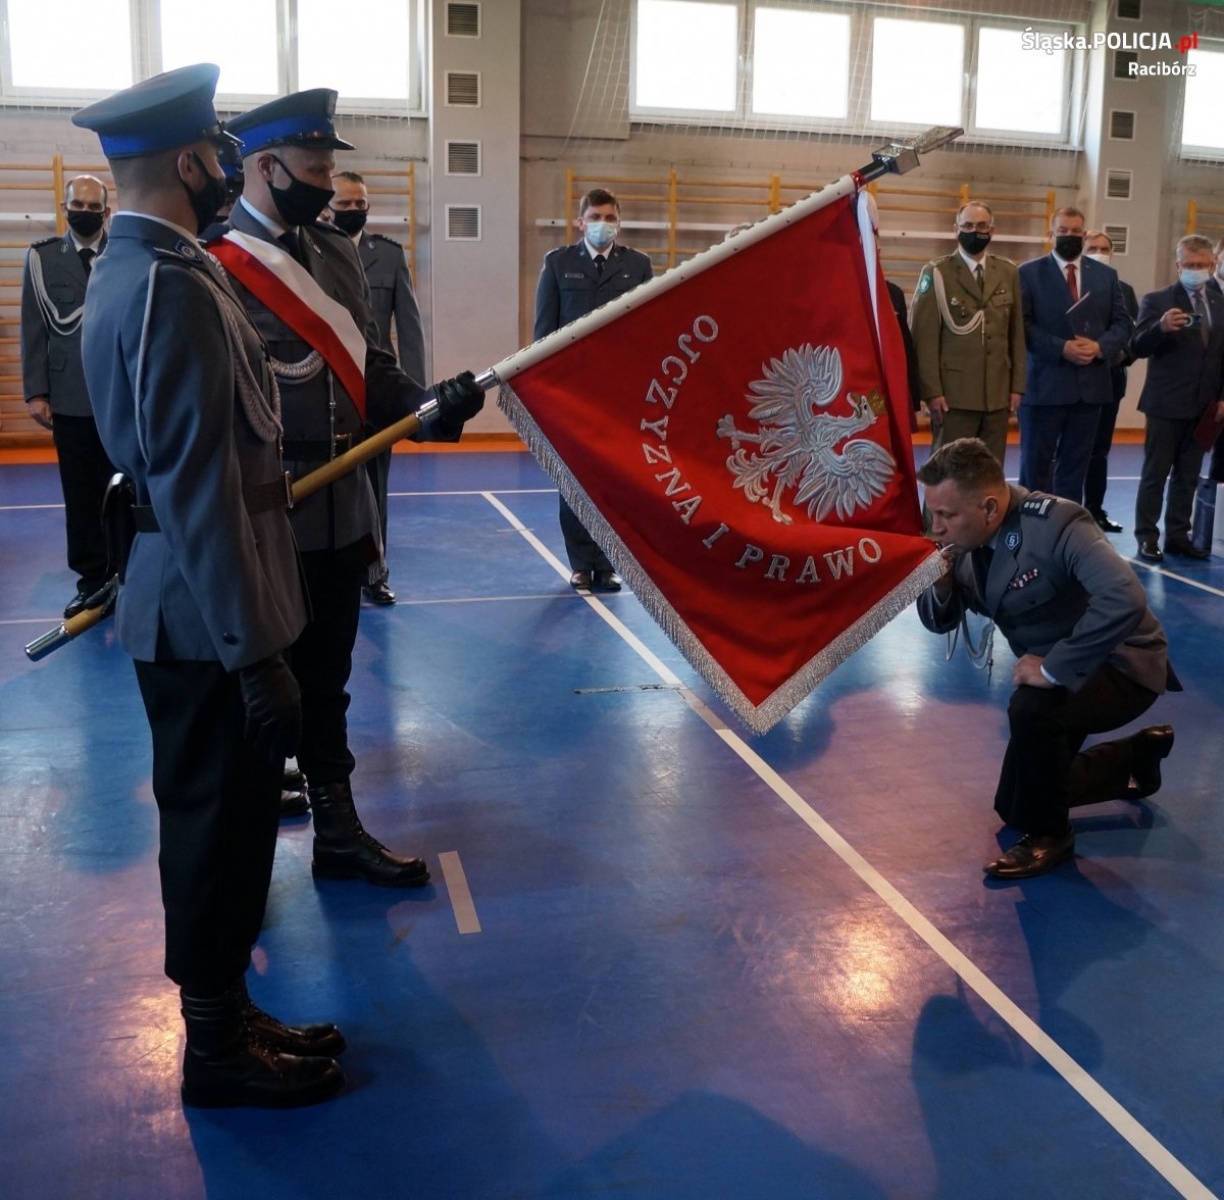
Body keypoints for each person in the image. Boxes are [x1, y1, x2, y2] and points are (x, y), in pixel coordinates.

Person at [72, 63, 345, 1108]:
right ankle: (216, 1052)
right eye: (217, 153)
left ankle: (231, 1015)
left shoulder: (151, 268)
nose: (225, 167)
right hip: (202, 622)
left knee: (234, 834)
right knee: (212, 834)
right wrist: (254, 650)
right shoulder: (166, 284)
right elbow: (194, 488)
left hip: (201, 614)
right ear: (190, 160)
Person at [215, 89, 484, 879]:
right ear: (265, 167)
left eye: (331, 169)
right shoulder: (214, 264)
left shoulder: (334, 251)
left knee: (329, 678)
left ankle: (336, 832)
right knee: (265, 692)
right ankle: (247, 857)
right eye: (315, 168)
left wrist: (425, 406)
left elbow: (368, 364)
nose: (328, 184)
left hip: (340, 501)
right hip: (267, 511)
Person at [917, 437, 1176, 880]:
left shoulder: (1057, 523)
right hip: (1066, 668)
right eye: (932, 514)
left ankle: (1050, 837)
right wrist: (939, 584)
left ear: (990, 508)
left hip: (1122, 664)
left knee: (1031, 709)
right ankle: (1133, 758)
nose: (935, 528)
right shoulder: (963, 542)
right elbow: (939, 621)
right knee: (1014, 802)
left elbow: (1124, 598)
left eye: (946, 516)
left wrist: (1053, 669)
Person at [533, 187, 653, 592]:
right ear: (580, 222)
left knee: (612, 482)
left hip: (618, 393)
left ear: (619, 222)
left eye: (610, 218)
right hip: (572, 391)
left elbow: (649, 331)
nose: (603, 225)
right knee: (574, 480)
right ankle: (582, 563)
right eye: (596, 217)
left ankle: (607, 562)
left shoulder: (638, 266)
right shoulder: (558, 263)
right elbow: (544, 332)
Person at [328, 169, 428, 608]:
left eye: (359, 203)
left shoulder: (388, 256)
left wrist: (417, 397)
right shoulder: (308, 249)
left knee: (376, 487)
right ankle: (333, 573)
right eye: (344, 203)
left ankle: (375, 571)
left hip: (375, 391)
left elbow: (408, 326)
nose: (353, 210)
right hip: (326, 391)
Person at [21, 174, 116, 618]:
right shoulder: (42, 259)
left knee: (126, 491)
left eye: (92, 206)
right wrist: (37, 391)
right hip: (70, 398)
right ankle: (92, 580)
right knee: (80, 494)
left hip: (122, 397)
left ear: (106, 210)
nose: (84, 211)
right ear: (64, 207)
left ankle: (129, 575)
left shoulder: (123, 254)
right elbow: (33, 328)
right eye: (76, 204)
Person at [1017, 206, 1132, 501]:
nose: (1070, 236)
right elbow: (1022, 325)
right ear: (1050, 234)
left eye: (1076, 231)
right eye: (1063, 231)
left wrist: (1101, 347)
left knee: (1074, 470)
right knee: (1035, 469)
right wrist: (1062, 348)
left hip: (1091, 389)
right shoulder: (1028, 273)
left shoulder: (1106, 275)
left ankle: (1066, 533)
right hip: (1044, 387)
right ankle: (1031, 533)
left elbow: (1122, 323)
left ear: (1084, 233)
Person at [909, 200, 1025, 467]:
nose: (975, 231)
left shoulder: (1008, 272)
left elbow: (1016, 334)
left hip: (996, 394)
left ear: (992, 230)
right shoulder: (938, 272)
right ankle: (936, 513)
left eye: (982, 225)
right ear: (955, 229)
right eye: (968, 225)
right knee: (948, 472)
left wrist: (1017, 386)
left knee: (990, 471)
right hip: (953, 396)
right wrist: (931, 391)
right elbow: (923, 339)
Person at [1130, 234, 1224, 562]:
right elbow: (1137, 346)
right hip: (1165, 405)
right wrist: (1161, 327)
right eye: (1189, 265)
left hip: (1205, 407)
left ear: (1213, 264)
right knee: (1155, 474)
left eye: (1202, 265)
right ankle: (1146, 536)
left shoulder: (1219, 301)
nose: (1195, 270)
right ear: (1178, 264)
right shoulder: (1157, 300)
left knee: (1188, 476)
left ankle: (1177, 535)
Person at [1081, 231, 1139, 533]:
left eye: (1104, 248)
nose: (1099, 252)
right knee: (1066, 451)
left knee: (1099, 451)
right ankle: (1059, 511)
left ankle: (1094, 510)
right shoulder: (1068, 287)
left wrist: (1120, 354)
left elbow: (1133, 337)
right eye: (1093, 248)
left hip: (1110, 382)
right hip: (1072, 381)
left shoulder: (1125, 290)